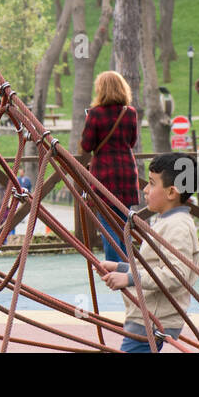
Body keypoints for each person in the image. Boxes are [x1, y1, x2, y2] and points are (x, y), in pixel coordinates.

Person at [99, 152, 199, 353]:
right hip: (148, 315)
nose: (145, 189)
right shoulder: (166, 221)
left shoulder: (177, 227)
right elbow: (155, 267)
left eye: (152, 184)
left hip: (154, 320)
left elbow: (175, 276)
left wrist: (128, 278)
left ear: (172, 192)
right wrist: (121, 267)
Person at [79, 70, 141, 262]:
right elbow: (132, 142)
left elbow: (86, 146)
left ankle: (116, 269)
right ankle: (127, 267)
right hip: (127, 172)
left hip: (104, 173)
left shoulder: (96, 114)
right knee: (124, 225)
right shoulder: (130, 113)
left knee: (107, 225)